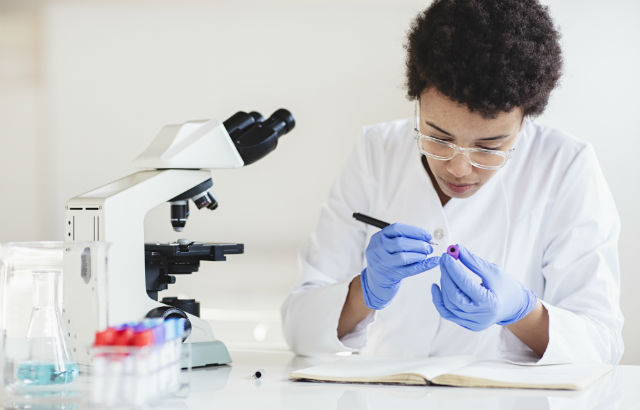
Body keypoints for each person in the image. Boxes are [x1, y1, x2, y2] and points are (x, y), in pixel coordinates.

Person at [281, 0, 623, 364]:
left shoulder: (564, 165)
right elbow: (299, 328)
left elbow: (601, 345)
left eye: (489, 146)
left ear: (525, 120)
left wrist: (520, 311)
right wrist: (364, 290)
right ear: (417, 102)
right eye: (438, 138)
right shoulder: (377, 151)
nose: (459, 168)